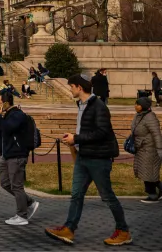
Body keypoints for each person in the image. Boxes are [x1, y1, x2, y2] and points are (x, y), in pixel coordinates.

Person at [45, 74, 130, 246]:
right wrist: (74, 139)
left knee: (107, 197)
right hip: (84, 157)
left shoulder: (98, 106)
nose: (70, 89)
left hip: (98, 159)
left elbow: (102, 132)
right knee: (76, 194)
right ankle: (69, 229)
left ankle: (123, 231)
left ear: (79, 87)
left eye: (71, 86)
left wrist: (76, 138)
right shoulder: (82, 105)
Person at [0, 90, 39, 225]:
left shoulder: (18, 115)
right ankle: (29, 202)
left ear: (6, 103)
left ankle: (22, 216)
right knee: (5, 182)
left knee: (16, 186)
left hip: (17, 155)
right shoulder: (7, 115)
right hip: (7, 154)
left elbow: (7, 129)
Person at [131, 97, 162, 203]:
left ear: (143, 106)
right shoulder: (138, 116)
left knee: (149, 172)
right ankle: (157, 191)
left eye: (138, 104)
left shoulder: (150, 117)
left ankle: (152, 195)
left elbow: (157, 134)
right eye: (135, 104)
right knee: (146, 172)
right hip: (141, 149)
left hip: (150, 149)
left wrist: (159, 149)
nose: (135, 106)